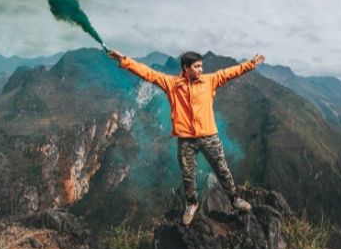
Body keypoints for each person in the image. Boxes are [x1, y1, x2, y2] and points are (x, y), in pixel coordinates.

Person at [107, 48, 265, 225]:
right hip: (186, 139)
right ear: (186, 67)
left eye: (201, 66)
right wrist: (124, 59)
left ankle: (234, 199)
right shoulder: (172, 84)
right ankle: (192, 203)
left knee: (222, 169)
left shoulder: (209, 81)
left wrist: (251, 64)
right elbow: (148, 74)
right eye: (197, 66)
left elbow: (230, 73)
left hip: (209, 136)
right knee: (188, 174)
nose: (201, 70)